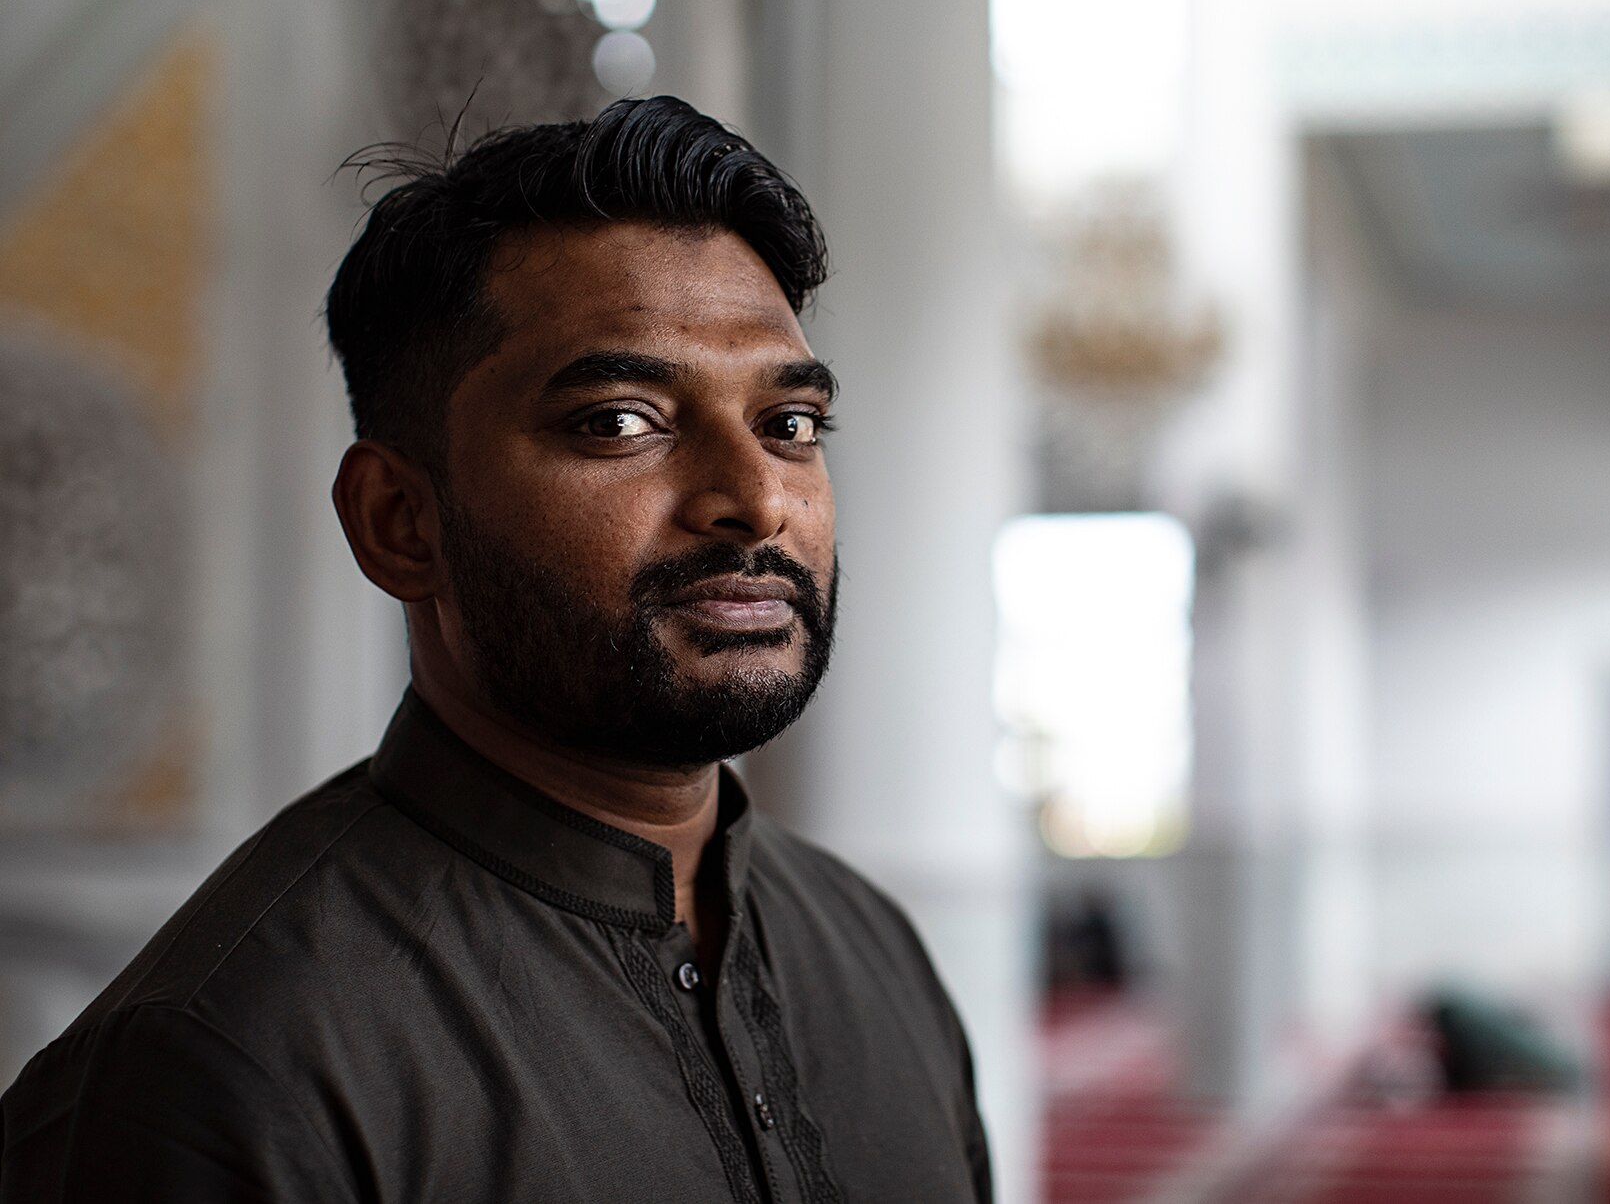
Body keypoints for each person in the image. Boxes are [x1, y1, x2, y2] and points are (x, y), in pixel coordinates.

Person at [0, 97, 991, 1203]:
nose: (756, 499)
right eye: (619, 420)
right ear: (398, 522)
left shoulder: (872, 952)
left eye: (790, 424)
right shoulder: (222, 1067)